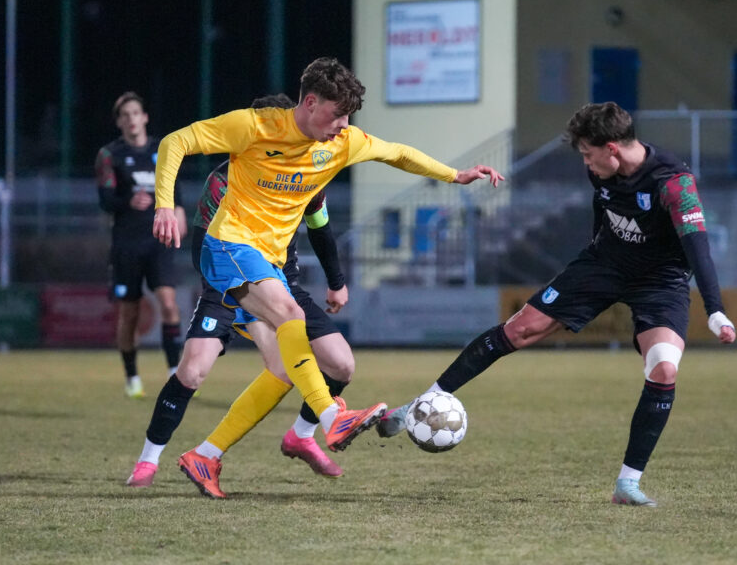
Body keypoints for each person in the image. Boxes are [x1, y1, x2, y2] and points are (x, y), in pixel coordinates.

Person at [150, 58, 504, 497]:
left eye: (349, 118)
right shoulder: (255, 126)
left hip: (273, 265)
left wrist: (456, 175)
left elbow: (397, 153)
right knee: (288, 314)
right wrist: (164, 203)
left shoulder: (341, 142)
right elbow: (175, 141)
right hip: (227, 246)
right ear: (310, 102)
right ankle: (333, 419)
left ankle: (207, 455)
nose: (343, 125)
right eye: (337, 114)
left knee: (336, 362)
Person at [376, 101, 736, 507]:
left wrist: (715, 308)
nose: (586, 163)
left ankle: (628, 484)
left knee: (665, 369)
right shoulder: (600, 169)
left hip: (661, 281)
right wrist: (592, 261)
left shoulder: (674, 183)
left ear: (612, 148)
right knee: (518, 329)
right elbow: (603, 213)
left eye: (588, 153)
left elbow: (698, 246)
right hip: (603, 265)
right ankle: (418, 407)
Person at [126, 94, 360, 493]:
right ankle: (149, 459)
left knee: (335, 365)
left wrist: (336, 281)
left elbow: (320, 228)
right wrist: (227, 290)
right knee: (194, 369)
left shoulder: (307, 169)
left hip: (279, 286)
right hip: (229, 282)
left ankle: (296, 436)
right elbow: (205, 240)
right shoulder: (227, 177)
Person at [96, 91, 186, 399]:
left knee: (170, 304)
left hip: (158, 242)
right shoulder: (110, 155)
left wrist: (180, 213)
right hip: (126, 245)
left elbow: (175, 188)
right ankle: (132, 376)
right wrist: (127, 200)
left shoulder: (163, 151)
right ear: (119, 122)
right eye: (125, 115)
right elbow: (105, 201)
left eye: (136, 113)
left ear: (144, 117)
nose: (131, 119)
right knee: (130, 314)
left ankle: (175, 373)